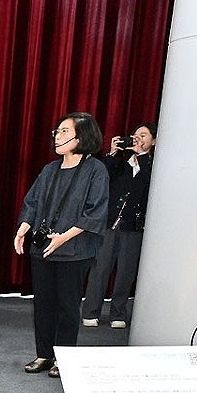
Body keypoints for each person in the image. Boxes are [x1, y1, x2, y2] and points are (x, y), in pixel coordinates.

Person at [14, 112, 109, 378]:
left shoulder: (96, 170)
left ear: (82, 137)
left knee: (67, 306)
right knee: (43, 304)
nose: (57, 136)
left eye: (65, 131)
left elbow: (95, 212)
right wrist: (23, 227)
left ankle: (63, 358)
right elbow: (32, 202)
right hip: (43, 248)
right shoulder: (49, 170)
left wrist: (64, 237)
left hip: (74, 251)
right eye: (57, 131)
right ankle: (44, 354)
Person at [81, 122, 156, 329]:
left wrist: (142, 155)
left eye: (143, 135)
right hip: (109, 225)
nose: (138, 138)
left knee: (126, 272)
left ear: (154, 141)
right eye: (135, 135)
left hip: (133, 227)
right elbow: (101, 178)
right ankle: (90, 311)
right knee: (99, 269)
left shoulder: (153, 166)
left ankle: (118, 313)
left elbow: (150, 183)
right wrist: (113, 153)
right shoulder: (120, 164)